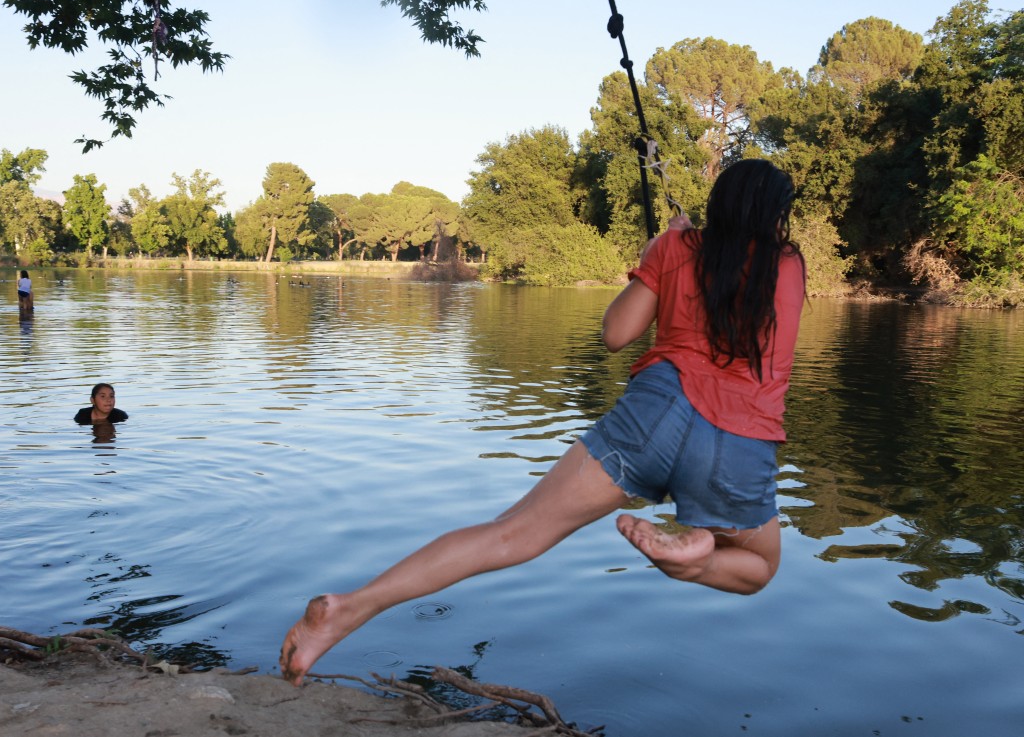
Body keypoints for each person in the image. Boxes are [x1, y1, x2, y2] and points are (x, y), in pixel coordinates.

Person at [280, 159, 808, 685]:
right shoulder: (789, 265)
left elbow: (617, 334)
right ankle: (695, 556)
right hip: (738, 437)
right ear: (775, 216)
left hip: (653, 414)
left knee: (509, 535)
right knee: (757, 567)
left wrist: (656, 255)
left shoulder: (676, 248)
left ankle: (349, 609)